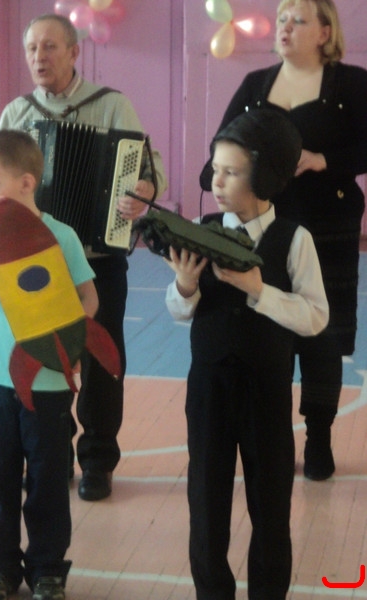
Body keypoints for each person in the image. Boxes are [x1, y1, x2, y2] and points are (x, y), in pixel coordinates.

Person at [0, 13, 167, 501]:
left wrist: (144, 190)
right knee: (43, 357)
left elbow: (150, 169)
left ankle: (97, 460)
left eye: (50, 47)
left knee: (101, 359)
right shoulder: (17, 114)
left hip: (99, 258)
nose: (39, 57)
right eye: (31, 48)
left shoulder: (112, 105)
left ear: (75, 52)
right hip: (36, 263)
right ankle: (51, 455)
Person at [199, 0, 367, 481]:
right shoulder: (256, 84)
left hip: (328, 227)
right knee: (264, 328)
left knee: (321, 336)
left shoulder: (351, 83)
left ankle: (319, 438)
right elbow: (220, 147)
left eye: (299, 20)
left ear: (324, 32)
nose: (286, 28)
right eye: (281, 20)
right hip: (265, 231)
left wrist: (323, 161)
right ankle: (266, 435)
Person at [169, 110, 328, 598]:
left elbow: (315, 316)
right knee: (206, 501)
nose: (217, 182)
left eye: (232, 172)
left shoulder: (294, 239)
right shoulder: (200, 228)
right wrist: (185, 285)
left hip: (266, 391)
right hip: (208, 390)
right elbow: (179, 311)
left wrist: (260, 291)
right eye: (215, 169)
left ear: (264, 177)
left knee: (270, 504)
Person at [0, 129, 99, 600]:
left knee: (47, 479)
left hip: (48, 381)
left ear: (25, 183)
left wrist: (69, 339)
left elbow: (89, 298)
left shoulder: (62, 236)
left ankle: (47, 569)